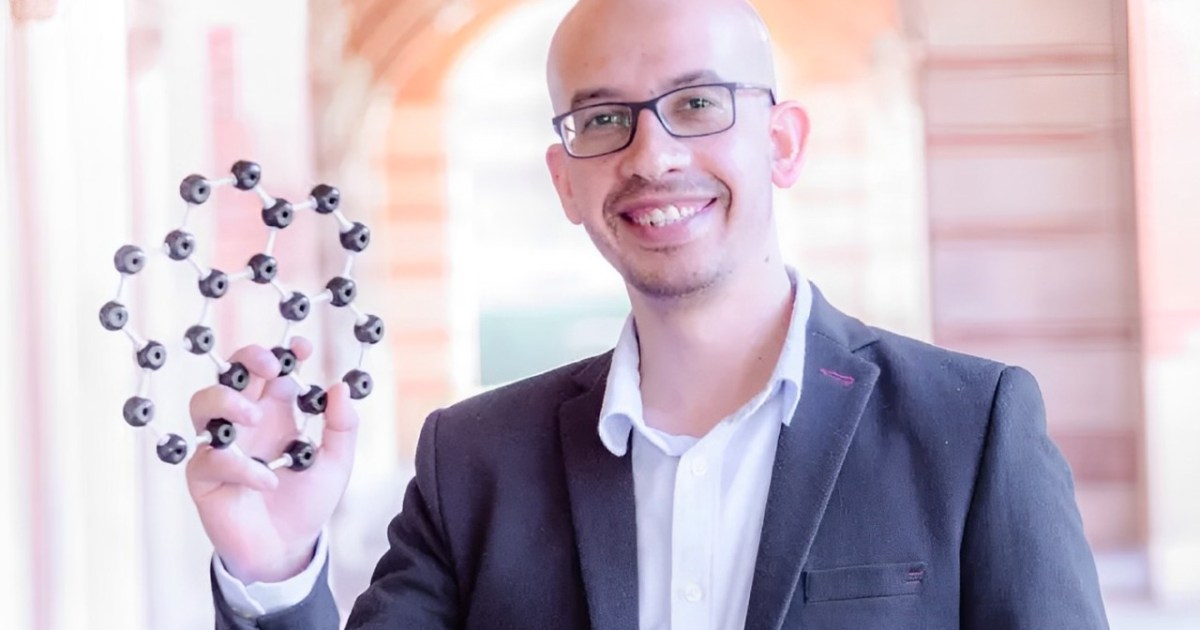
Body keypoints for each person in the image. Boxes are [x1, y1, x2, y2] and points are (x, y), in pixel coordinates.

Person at [190, 0, 1110, 627]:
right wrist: (276, 572)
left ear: (782, 144)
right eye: (602, 121)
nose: (651, 155)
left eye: (698, 104)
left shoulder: (970, 429)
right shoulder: (470, 466)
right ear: (565, 182)